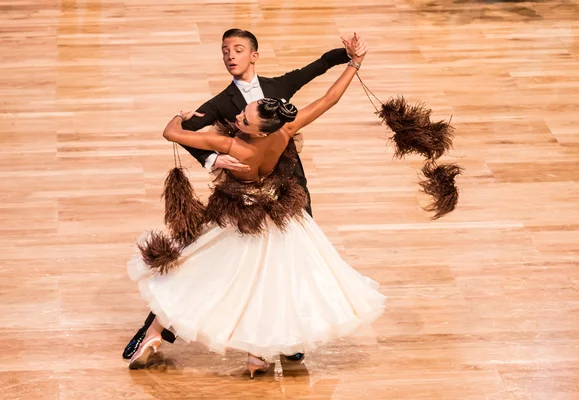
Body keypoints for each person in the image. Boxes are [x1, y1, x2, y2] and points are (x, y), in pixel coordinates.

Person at [127, 34, 386, 377]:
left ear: (259, 128)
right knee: (275, 284)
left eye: (244, 118)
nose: (237, 118)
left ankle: (154, 336)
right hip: (281, 220)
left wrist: (180, 116)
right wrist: (355, 64)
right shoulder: (285, 129)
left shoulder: (234, 146)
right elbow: (330, 98)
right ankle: (257, 356)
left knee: (199, 273)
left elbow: (171, 133)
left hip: (241, 221)